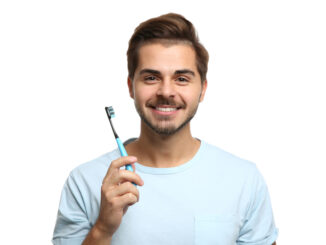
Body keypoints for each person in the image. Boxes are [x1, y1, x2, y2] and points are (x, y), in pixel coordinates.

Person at [52, 13, 278, 245]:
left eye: (181, 78)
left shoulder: (244, 179)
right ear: (131, 87)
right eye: (151, 77)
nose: (166, 92)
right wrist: (102, 229)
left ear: (202, 89)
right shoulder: (84, 181)